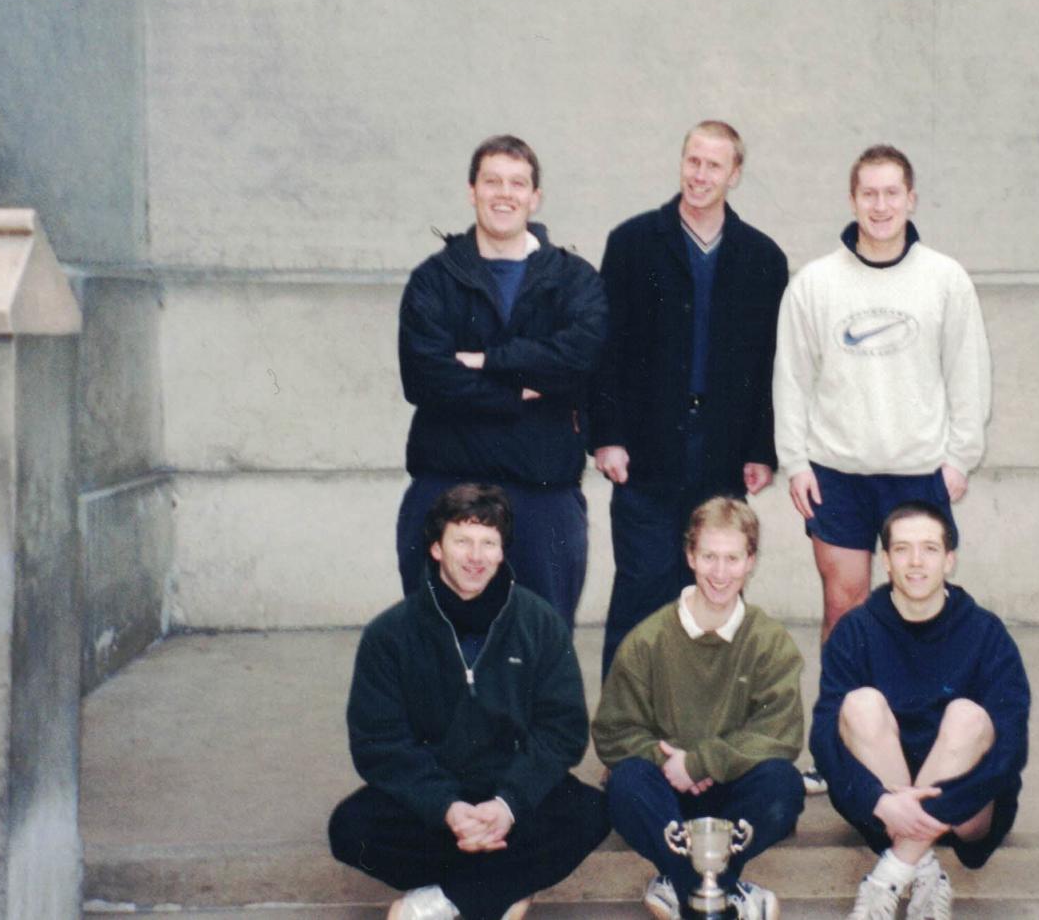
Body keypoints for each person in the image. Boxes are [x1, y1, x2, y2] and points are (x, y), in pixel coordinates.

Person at [329, 484, 611, 920]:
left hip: (511, 795)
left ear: (502, 553)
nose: (475, 556)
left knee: (592, 813)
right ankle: (504, 888)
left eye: (489, 543)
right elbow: (377, 742)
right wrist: (447, 809)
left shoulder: (539, 623)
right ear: (437, 548)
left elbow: (563, 730)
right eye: (462, 540)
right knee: (350, 829)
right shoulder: (389, 635)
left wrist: (507, 806)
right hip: (435, 800)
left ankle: (446, 898)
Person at [591, 119, 790, 678]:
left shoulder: (762, 258)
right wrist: (607, 435)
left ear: (736, 174)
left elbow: (769, 364)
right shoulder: (631, 244)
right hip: (646, 456)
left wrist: (761, 449)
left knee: (714, 597)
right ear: (682, 163)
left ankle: (705, 737)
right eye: (693, 162)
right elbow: (605, 350)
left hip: (722, 457)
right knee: (640, 595)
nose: (701, 175)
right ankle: (625, 746)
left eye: (714, 165)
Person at [772, 143, 992, 646]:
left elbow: (968, 373)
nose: (880, 205)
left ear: (911, 199)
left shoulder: (945, 279)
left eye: (892, 193)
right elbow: (791, 378)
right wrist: (796, 462)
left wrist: (961, 457)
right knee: (843, 607)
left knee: (920, 609)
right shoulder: (814, 284)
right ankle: (841, 723)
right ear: (852, 200)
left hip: (918, 472)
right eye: (869, 193)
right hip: (837, 473)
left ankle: (913, 722)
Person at [395, 135, 606, 628]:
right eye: (492, 181)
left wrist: (488, 361)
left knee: (542, 643)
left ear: (535, 197)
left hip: (543, 493)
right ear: (472, 191)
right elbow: (425, 378)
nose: (504, 193)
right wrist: (519, 390)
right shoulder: (434, 279)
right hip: (446, 486)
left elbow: (578, 359)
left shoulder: (574, 279)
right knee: (439, 644)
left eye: (517, 183)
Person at [810, 501, 1030, 920]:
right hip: (886, 807)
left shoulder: (985, 632)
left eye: (929, 549)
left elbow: (1011, 747)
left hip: (965, 805)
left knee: (968, 715)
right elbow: (823, 737)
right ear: (886, 561)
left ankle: (890, 875)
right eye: (902, 549)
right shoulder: (856, 630)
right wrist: (879, 801)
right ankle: (922, 869)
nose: (915, 562)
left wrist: (931, 810)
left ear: (949, 560)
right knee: (859, 705)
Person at [592, 497, 806, 920]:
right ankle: (720, 891)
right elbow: (614, 732)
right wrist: (665, 760)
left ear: (751, 562)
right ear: (690, 556)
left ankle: (682, 884)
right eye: (709, 557)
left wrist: (703, 762)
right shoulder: (648, 639)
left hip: (732, 791)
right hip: (666, 795)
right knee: (626, 783)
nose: (720, 573)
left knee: (784, 784)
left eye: (732, 558)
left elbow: (780, 731)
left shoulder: (768, 640)